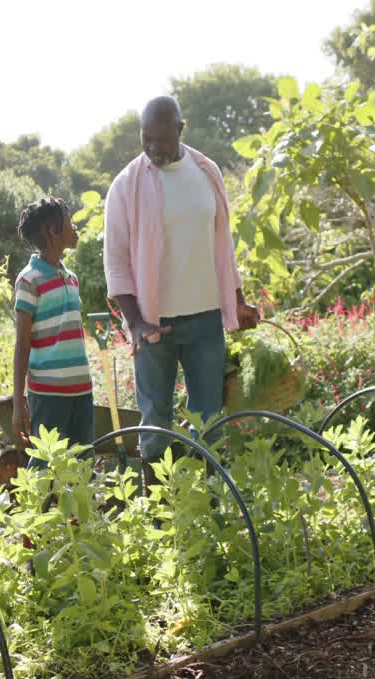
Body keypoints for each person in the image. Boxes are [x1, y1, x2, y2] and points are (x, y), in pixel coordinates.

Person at [103, 95, 259, 463]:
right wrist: (135, 322)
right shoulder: (126, 185)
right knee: (156, 422)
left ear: (180, 130)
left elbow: (223, 244)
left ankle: (209, 492)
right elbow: (116, 261)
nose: (154, 148)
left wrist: (237, 299)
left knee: (209, 421)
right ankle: (155, 498)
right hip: (153, 326)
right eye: (147, 139)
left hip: (206, 319)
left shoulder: (206, 172)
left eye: (162, 139)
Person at [11, 197, 93, 466]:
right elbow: (22, 346)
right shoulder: (29, 280)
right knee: (45, 469)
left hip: (81, 390)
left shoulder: (72, 279)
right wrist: (18, 403)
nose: (74, 226)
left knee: (83, 469)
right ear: (51, 230)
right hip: (48, 395)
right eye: (69, 220)